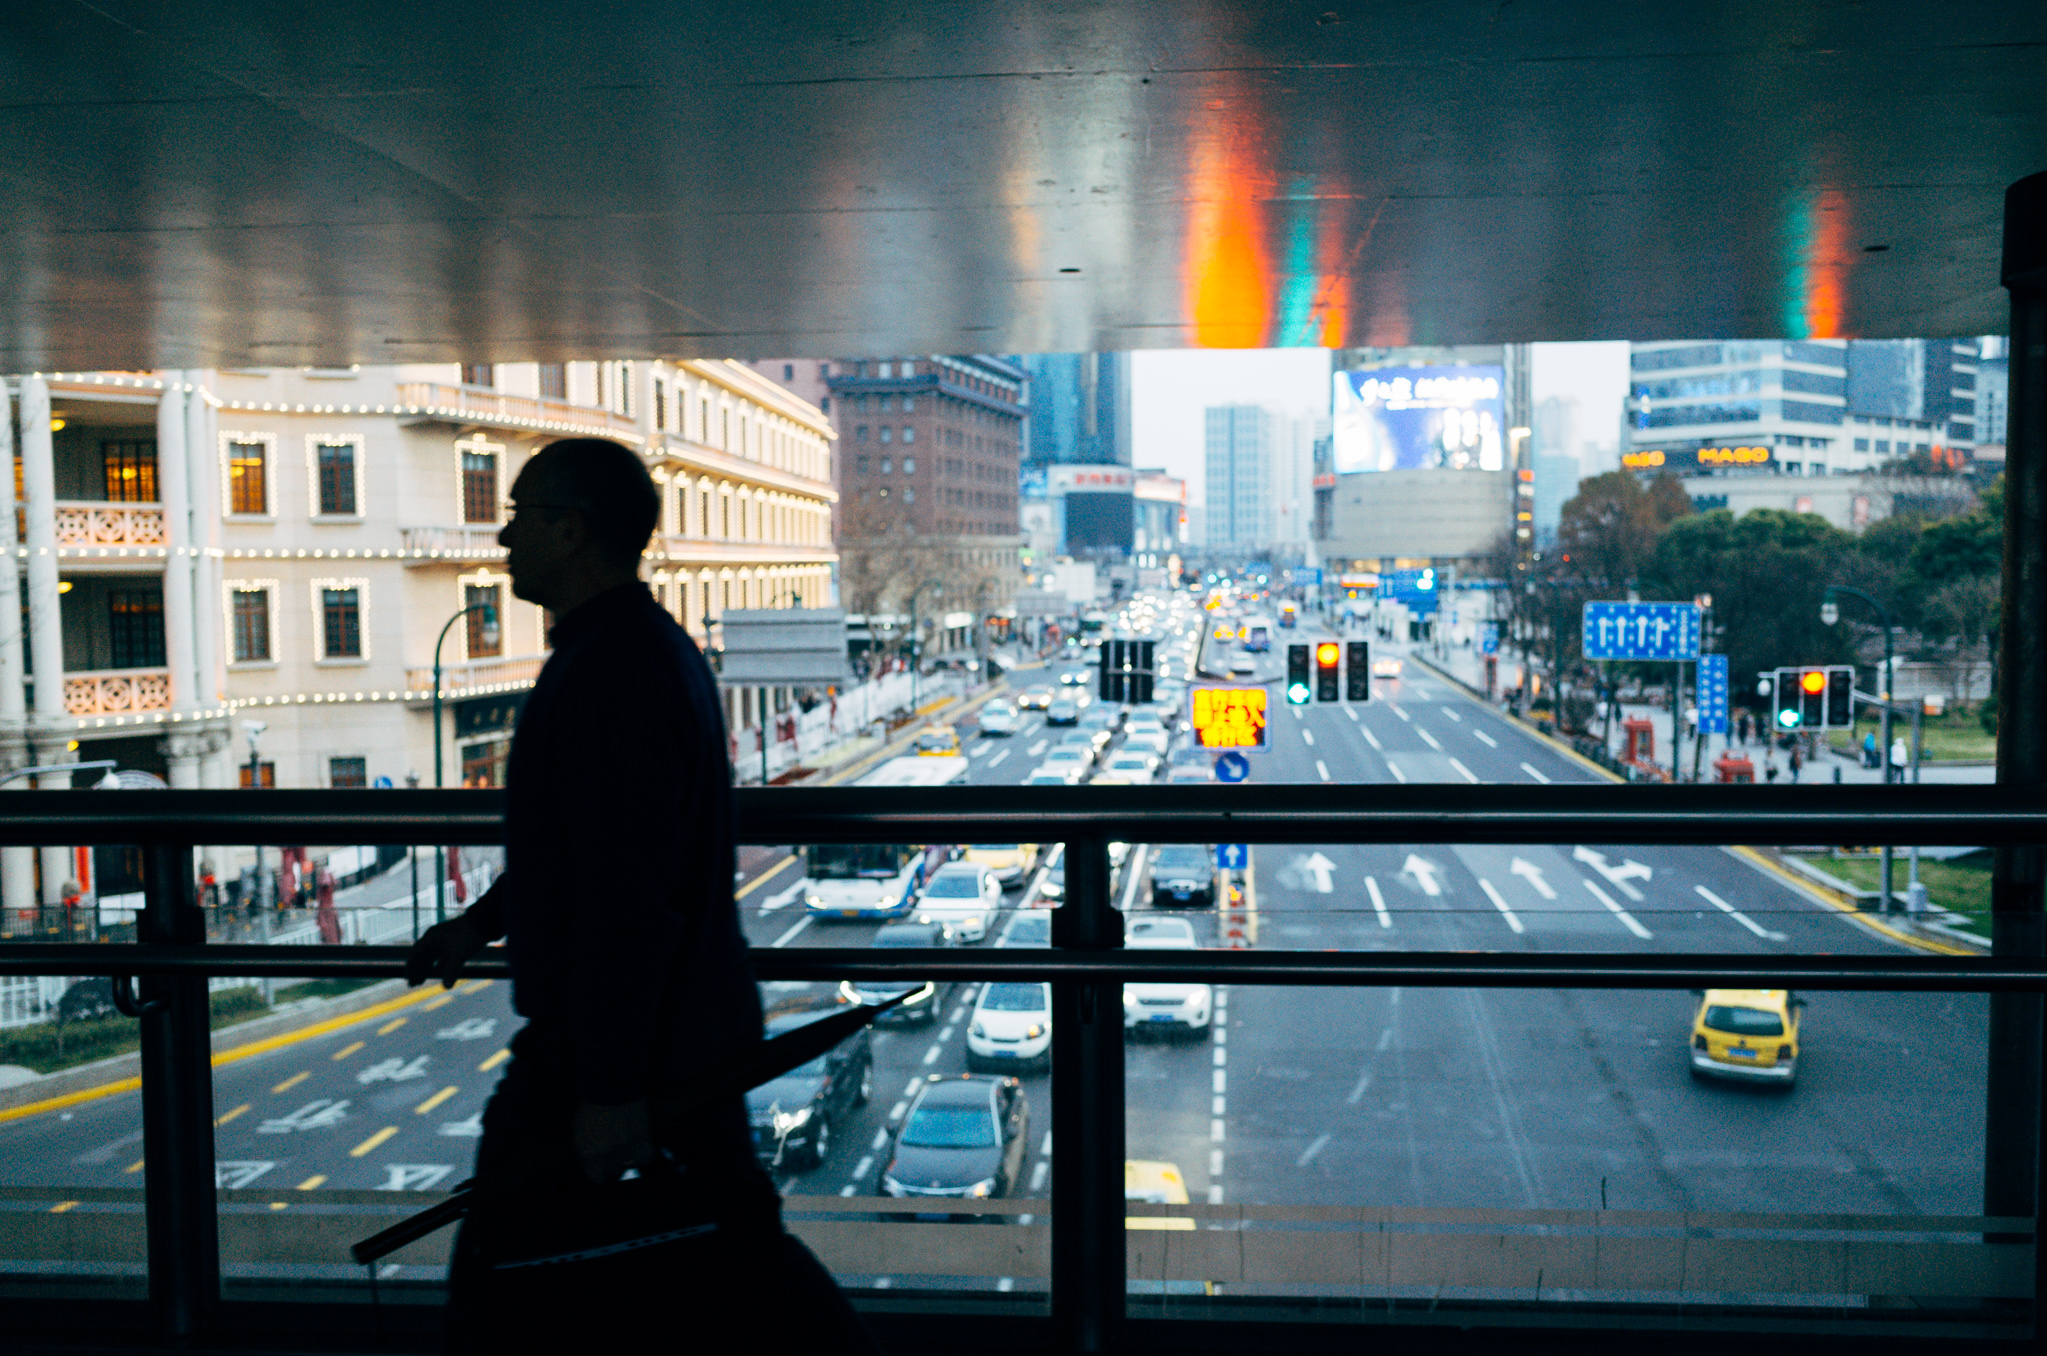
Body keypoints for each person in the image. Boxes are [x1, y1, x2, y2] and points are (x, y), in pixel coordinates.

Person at [403, 439, 880, 1355]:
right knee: (729, 1248)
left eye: (522, 515)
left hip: (627, 1053)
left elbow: (626, 890)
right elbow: (581, 850)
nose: (502, 536)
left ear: (572, 530)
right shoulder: (633, 651)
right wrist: (478, 924)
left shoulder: (611, 672)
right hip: (677, 1034)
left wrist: (613, 1086)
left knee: (504, 1272)